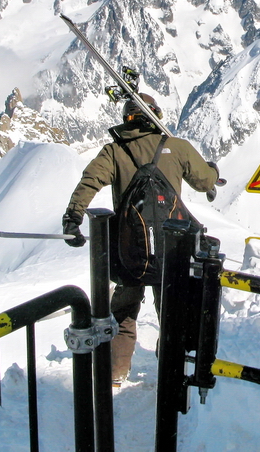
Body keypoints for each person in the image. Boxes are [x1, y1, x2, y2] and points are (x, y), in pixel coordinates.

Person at [61, 92, 220, 386]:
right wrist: (212, 170)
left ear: (127, 119)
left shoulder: (114, 151)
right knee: (172, 310)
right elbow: (205, 182)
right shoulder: (176, 147)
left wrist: (73, 216)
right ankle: (170, 373)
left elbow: (90, 180)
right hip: (171, 249)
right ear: (155, 116)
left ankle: (115, 372)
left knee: (122, 310)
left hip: (130, 249)